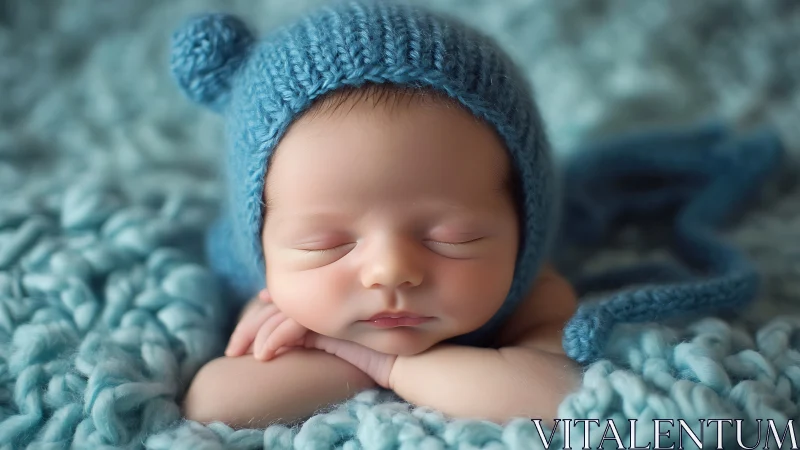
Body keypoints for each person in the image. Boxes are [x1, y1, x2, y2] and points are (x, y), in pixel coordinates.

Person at [169, 0, 581, 428]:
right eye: (324, 244)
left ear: (523, 227)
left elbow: (560, 401)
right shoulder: (273, 300)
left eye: (453, 238)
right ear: (262, 245)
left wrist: (379, 363)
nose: (390, 271)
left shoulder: (533, 292)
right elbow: (214, 404)